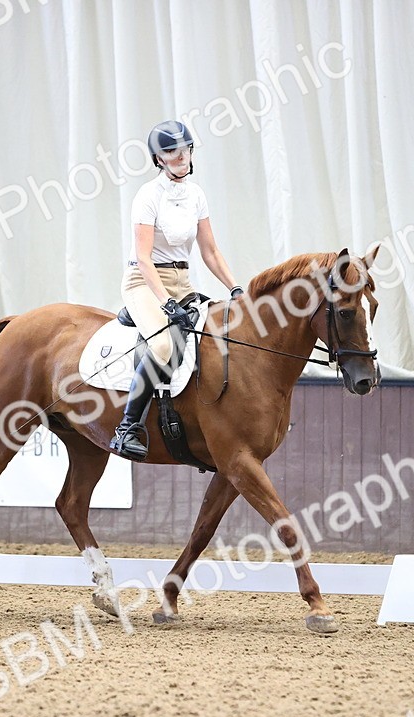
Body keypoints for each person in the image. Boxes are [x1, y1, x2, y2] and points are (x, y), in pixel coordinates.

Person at [109, 120, 244, 461]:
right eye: (171, 151)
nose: (180, 156)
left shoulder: (196, 195)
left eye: (184, 149)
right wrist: (166, 302)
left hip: (182, 282)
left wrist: (237, 288)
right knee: (162, 344)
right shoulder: (147, 197)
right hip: (145, 281)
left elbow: (209, 251)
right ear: (159, 159)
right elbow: (142, 258)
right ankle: (128, 428)